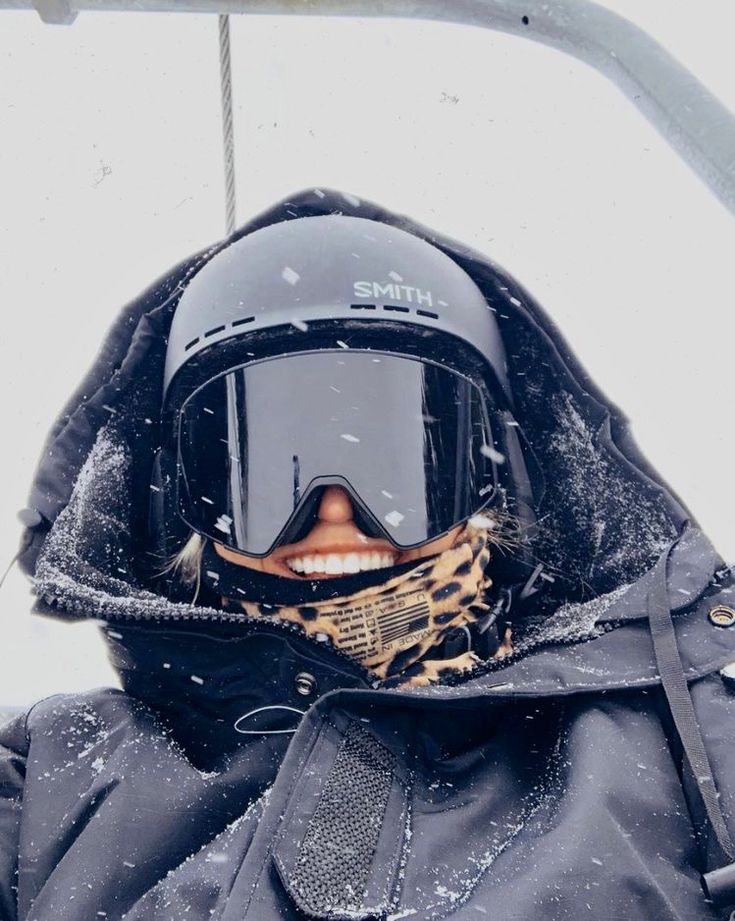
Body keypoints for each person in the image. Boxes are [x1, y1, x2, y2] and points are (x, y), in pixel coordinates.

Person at [1, 187, 734, 921]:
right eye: (258, 480)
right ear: (176, 507)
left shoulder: (688, 745)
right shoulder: (47, 783)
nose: (333, 517)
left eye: (399, 469)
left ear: (496, 483)